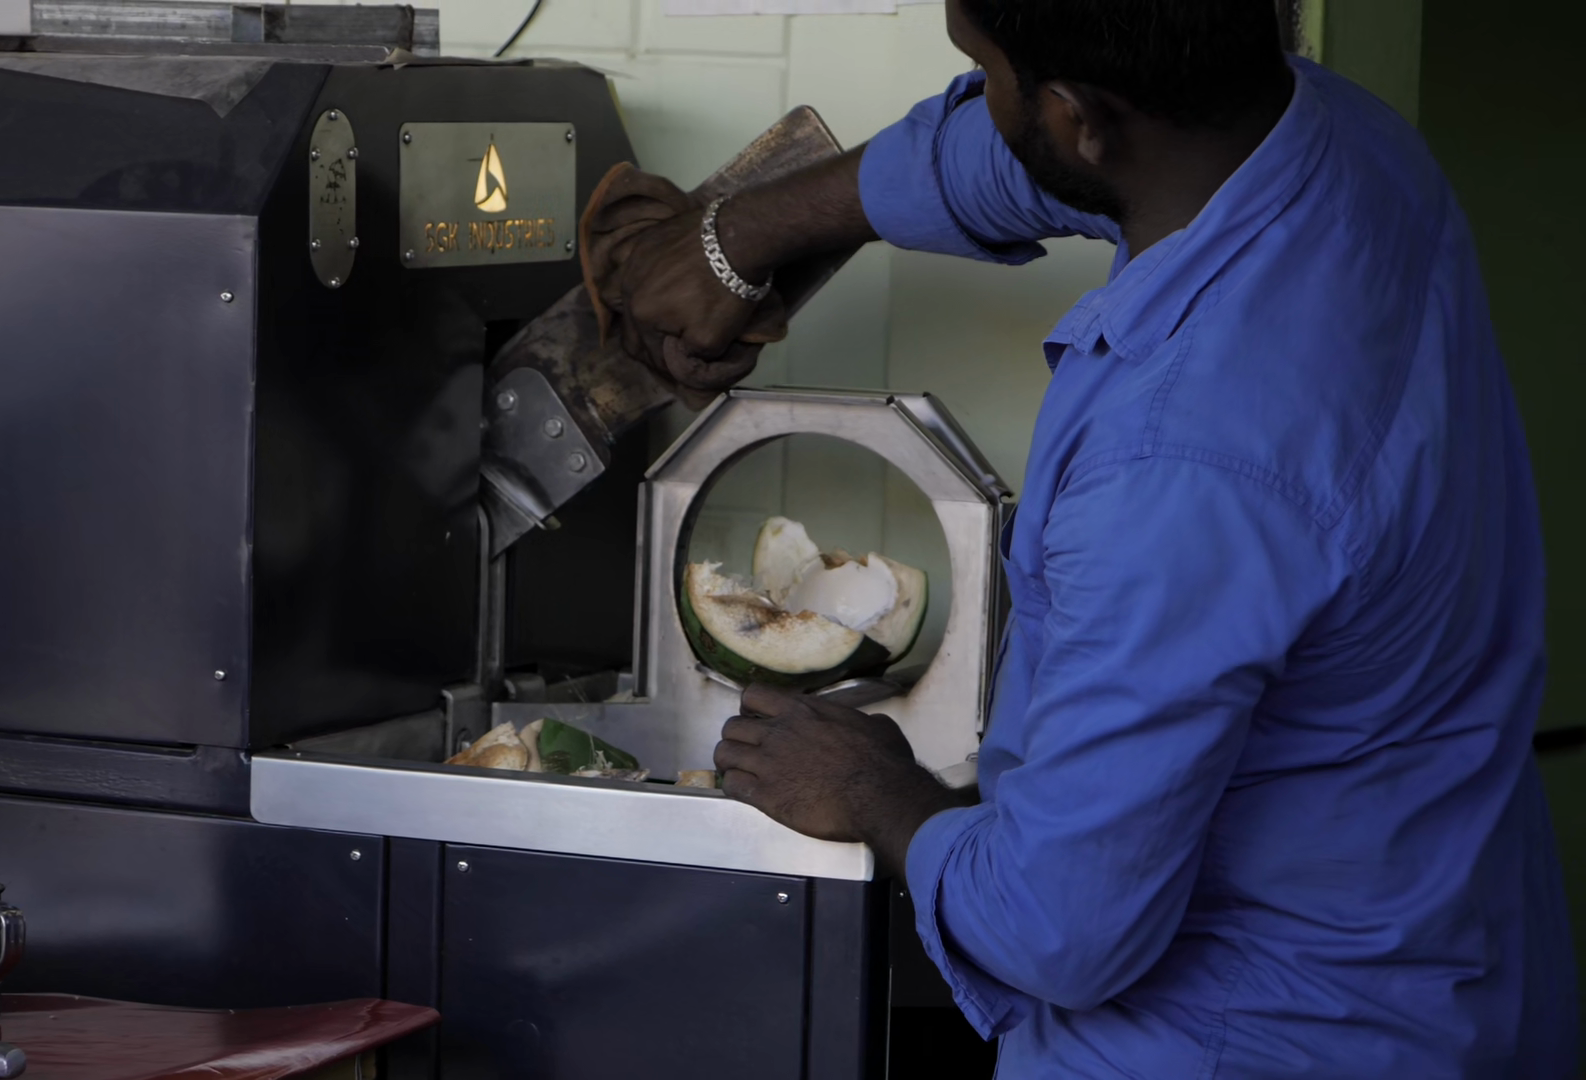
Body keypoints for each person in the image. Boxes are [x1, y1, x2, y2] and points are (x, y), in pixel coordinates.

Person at [584, 0, 1578, 1073]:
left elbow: (1059, 929)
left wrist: (882, 794)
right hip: (1451, 977)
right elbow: (1018, 160)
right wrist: (740, 235)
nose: (979, 97)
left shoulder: (1179, 464)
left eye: (987, 72)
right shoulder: (1342, 143)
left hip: (1250, 1045)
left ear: (1080, 119)